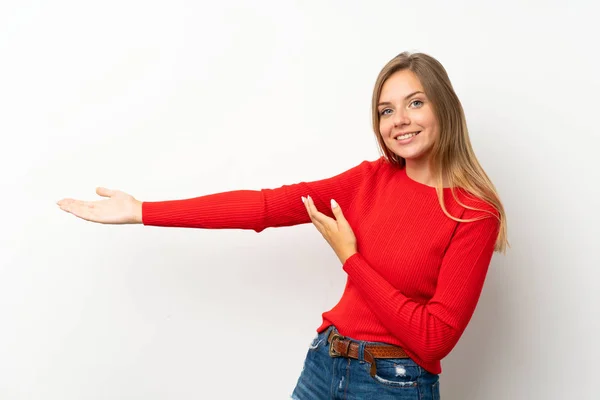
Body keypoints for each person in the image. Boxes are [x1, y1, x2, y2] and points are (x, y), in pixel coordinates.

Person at [57, 51, 508, 399]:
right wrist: (143, 210)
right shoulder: (369, 180)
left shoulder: (473, 213)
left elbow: (433, 339)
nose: (400, 120)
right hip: (324, 364)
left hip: (392, 384)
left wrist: (351, 259)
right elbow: (266, 207)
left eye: (414, 102)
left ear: (444, 107)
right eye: (386, 110)